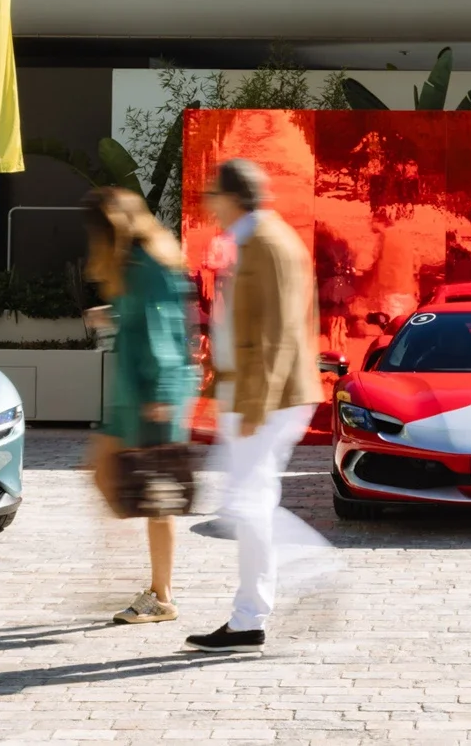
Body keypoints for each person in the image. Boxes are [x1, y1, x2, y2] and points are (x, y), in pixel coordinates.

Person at [186, 159, 321, 654]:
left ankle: (301, 579)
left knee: (248, 504)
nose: (209, 205)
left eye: (213, 196)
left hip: (267, 398)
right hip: (259, 395)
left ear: (231, 197)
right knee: (248, 504)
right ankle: (249, 618)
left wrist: (254, 404)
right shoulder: (259, 238)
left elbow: (279, 329)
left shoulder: (266, 241)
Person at [86, 187, 197, 625]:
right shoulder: (140, 262)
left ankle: (161, 594)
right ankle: (148, 581)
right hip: (135, 393)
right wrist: (111, 314)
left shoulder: (147, 265)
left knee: (157, 495)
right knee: (105, 475)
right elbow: (148, 318)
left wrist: (159, 398)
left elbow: (163, 333)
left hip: (152, 394)